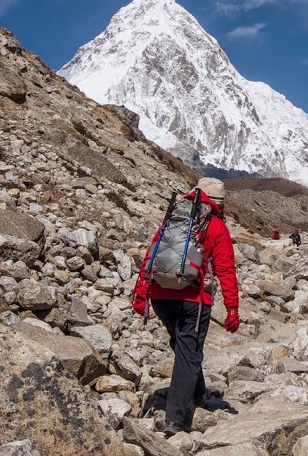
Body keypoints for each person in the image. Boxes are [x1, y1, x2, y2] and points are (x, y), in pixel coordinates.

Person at [131, 177, 240, 436]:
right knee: (189, 352)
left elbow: (152, 254)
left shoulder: (173, 219)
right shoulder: (215, 226)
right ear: (217, 203)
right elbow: (225, 269)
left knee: (184, 347)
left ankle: (199, 392)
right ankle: (176, 418)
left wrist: (141, 293)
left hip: (160, 296)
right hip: (193, 298)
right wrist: (232, 309)